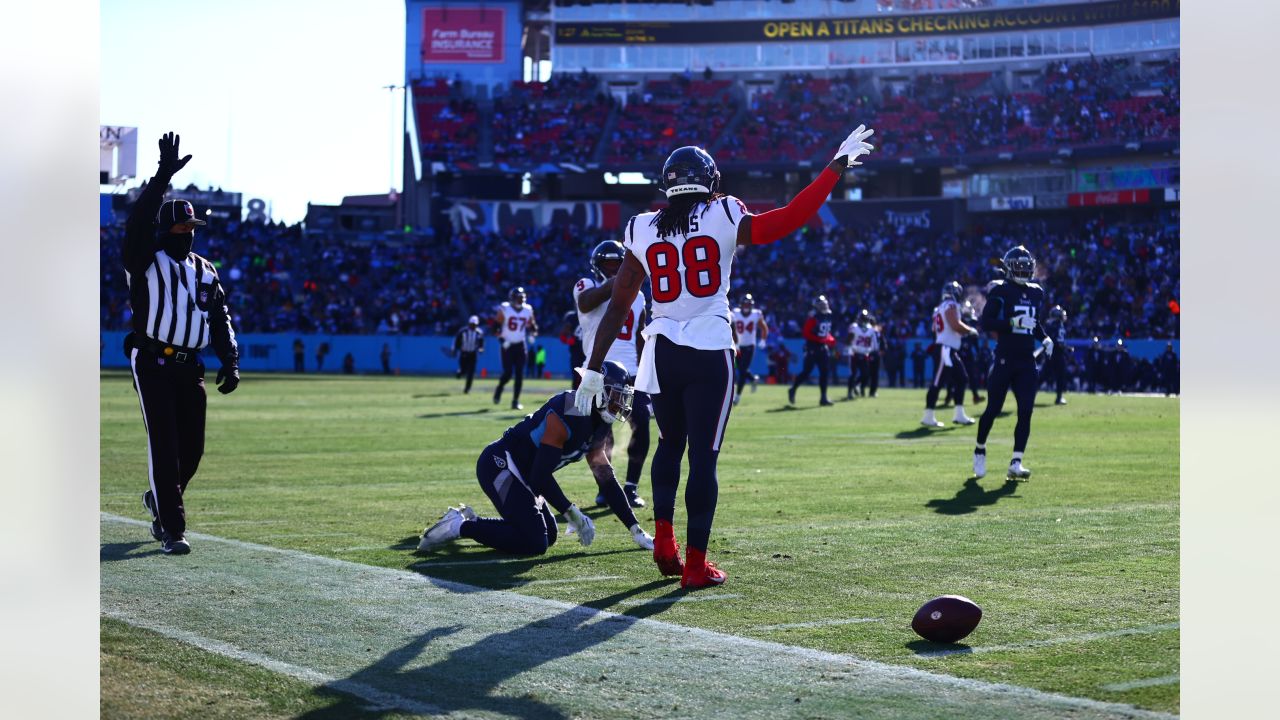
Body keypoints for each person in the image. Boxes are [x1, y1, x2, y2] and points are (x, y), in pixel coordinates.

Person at [575, 126, 876, 589]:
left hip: (663, 352)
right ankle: (694, 565)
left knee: (668, 448)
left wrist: (592, 369)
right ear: (709, 180)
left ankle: (664, 543)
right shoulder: (723, 212)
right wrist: (834, 167)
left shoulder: (640, 226)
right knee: (704, 460)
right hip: (710, 349)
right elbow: (791, 217)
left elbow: (618, 304)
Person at [123, 132, 239, 556]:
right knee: (165, 446)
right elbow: (136, 225)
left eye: (193, 226)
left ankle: (159, 499)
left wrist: (230, 358)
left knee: (192, 449)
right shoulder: (145, 259)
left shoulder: (205, 269)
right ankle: (172, 528)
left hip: (191, 366)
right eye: (182, 225)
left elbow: (219, 315)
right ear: (166, 228)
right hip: (152, 359)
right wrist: (161, 178)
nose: (189, 232)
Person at [418, 361, 654, 555]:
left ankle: (471, 521)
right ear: (598, 390)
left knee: (548, 536)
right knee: (535, 542)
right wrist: (572, 513)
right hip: (500, 464)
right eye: (615, 395)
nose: (618, 403)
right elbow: (540, 477)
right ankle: (460, 527)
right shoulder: (569, 409)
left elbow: (605, 477)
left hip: (524, 475)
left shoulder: (598, 422)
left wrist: (635, 530)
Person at [575, 240, 651, 510]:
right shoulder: (585, 285)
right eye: (608, 265)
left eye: (618, 264)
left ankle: (630, 487)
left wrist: (646, 375)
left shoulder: (639, 296)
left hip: (630, 372)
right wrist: (620, 281)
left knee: (641, 425)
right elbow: (585, 304)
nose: (614, 269)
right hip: (598, 370)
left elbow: (640, 336)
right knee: (600, 435)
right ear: (597, 267)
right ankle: (606, 489)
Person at [973, 247, 1052, 481]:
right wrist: (1010, 322)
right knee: (993, 409)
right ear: (1008, 268)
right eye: (1019, 266)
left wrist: (1044, 337)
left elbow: (1033, 322)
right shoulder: (1001, 290)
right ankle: (979, 448)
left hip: (1027, 360)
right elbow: (986, 322)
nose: (1024, 270)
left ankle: (1016, 462)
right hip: (1005, 358)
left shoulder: (1036, 292)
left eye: (1027, 266)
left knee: (1025, 411)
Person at [923, 281, 978, 427]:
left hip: (948, 348)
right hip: (945, 349)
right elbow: (955, 325)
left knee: (961, 379)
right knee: (937, 382)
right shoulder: (951, 305)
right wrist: (970, 330)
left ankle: (959, 414)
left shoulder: (939, 308)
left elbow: (937, 329)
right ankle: (928, 416)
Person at [492, 287, 537, 410]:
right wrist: (502, 340)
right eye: (518, 297)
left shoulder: (528, 309)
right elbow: (495, 328)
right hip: (507, 345)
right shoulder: (505, 308)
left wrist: (532, 334)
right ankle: (500, 387)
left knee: (519, 374)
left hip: (520, 345)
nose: (520, 300)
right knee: (507, 373)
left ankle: (515, 401)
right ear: (512, 298)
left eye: (522, 297)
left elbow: (532, 326)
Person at [789, 295, 837, 407]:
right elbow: (806, 333)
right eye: (821, 305)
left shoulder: (828, 315)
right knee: (806, 372)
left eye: (824, 304)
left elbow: (825, 333)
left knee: (824, 373)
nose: (824, 307)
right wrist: (822, 339)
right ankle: (793, 389)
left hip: (822, 347)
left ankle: (823, 397)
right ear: (816, 307)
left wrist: (830, 339)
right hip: (812, 348)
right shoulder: (813, 317)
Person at [730, 293, 768, 404]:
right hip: (737, 346)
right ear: (741, 304)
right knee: (740, 369)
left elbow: (764, 327)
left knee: (742, 371)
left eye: (748, 304)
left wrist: (763, 339)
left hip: (750, 346)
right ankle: (753, 378)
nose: (746, 306)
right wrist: (734, 342)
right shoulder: (734, 313)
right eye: (744, 304)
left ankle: (737, 396)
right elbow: (730, 329)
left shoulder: (756, 314)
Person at [846, 308, 880, 399]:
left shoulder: (871, 329)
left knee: (866, 374)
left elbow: (873, 343)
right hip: (854, 353)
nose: (864, 320)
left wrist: (873, 350)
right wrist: (849, 348)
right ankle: (849, 393)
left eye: (865, 318)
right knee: (853, 374)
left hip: (865, 354)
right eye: (862, 318)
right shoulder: (854, 327)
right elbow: (848, 340)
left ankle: (857, 387)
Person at [1042, 305, 1070, 405]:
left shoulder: (1055, 324)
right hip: (1056, 352)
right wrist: (1065, 349)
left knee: (1047, 375)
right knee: (1057, 376)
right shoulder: (1054, 325)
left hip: (1053, 352)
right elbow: (1055, 340)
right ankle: (1059, 398)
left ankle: (1030, 393)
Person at [453, 315, 485, 394]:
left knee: (471, 372)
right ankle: (460, 372)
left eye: (475, 325)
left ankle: (467, 389)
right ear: (469, 324)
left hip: (473, 354)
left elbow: (481, 344)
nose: (473, 326)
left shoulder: (479, 333)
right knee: (464, 370)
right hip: (464, 353)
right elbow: (457, 341)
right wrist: (455, 349)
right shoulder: (462, 332)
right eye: (472, 324)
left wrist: (481, 349)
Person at [559, 310, 585, 386]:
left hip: (589, 351)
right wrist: (568, 340)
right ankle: (575, 394)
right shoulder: (572, 317)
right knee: (576, 375)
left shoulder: (593, 315)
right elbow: (563, 335)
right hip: (576, 351)